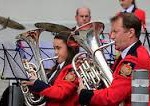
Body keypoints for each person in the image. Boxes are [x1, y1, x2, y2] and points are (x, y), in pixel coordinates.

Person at [78, 13, 150, 106]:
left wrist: (85, 94)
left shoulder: (133, 59)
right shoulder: (130, 54)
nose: (111, 36)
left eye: (115, 31)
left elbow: (112, 96)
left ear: (130, 33)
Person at [23, 33, 80, 106]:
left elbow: (60, 93)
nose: (55, 52)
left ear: (70, 50)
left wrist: (36, 83)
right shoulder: (57, 68)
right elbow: (47, 91)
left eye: (58, 48)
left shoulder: (73, 69)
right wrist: (31, 83)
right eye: (54, 48)